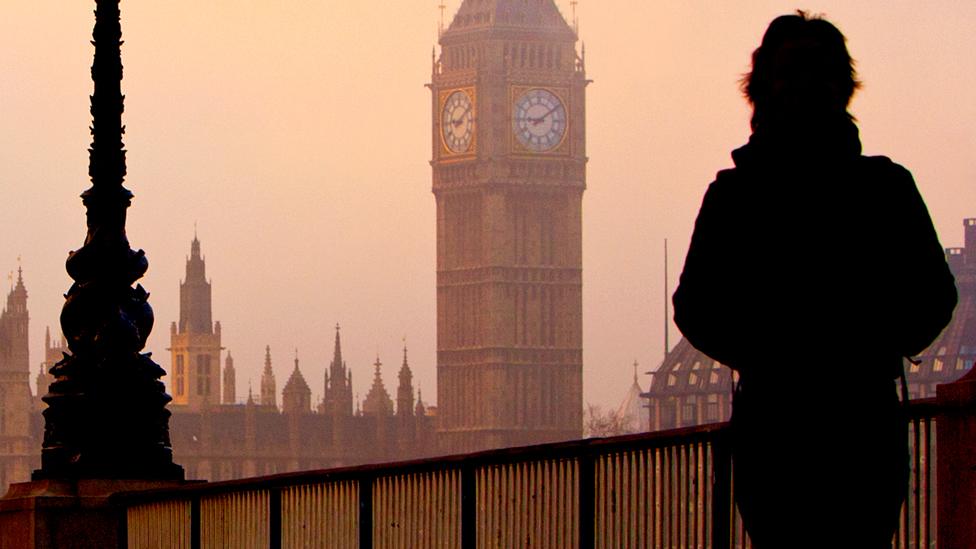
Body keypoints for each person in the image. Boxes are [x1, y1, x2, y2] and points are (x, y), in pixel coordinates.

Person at [672, 12, 957, 548]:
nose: (805, 85)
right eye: (794, 72)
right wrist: (872, 348)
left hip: (781, 426)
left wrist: (765, 354)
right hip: (858, 423)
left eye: (816, 71)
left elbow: (695, 307)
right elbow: (934, 296)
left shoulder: (737, 197)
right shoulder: (885, 189)